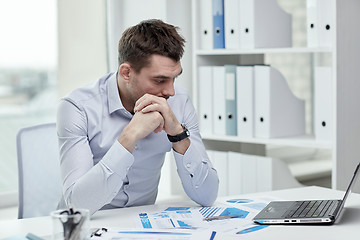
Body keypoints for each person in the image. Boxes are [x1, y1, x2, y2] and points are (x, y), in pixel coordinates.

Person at [57, 19, 219, 215]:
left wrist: (177, 134)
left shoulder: (180, 102)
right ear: (126, 72)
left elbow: (207, 195)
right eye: (159, 80)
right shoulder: (77, 107)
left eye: (174, 78)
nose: (171, 91)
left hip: (142, 225)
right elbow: (78, 206)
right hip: (85, 227)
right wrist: (130, 135)